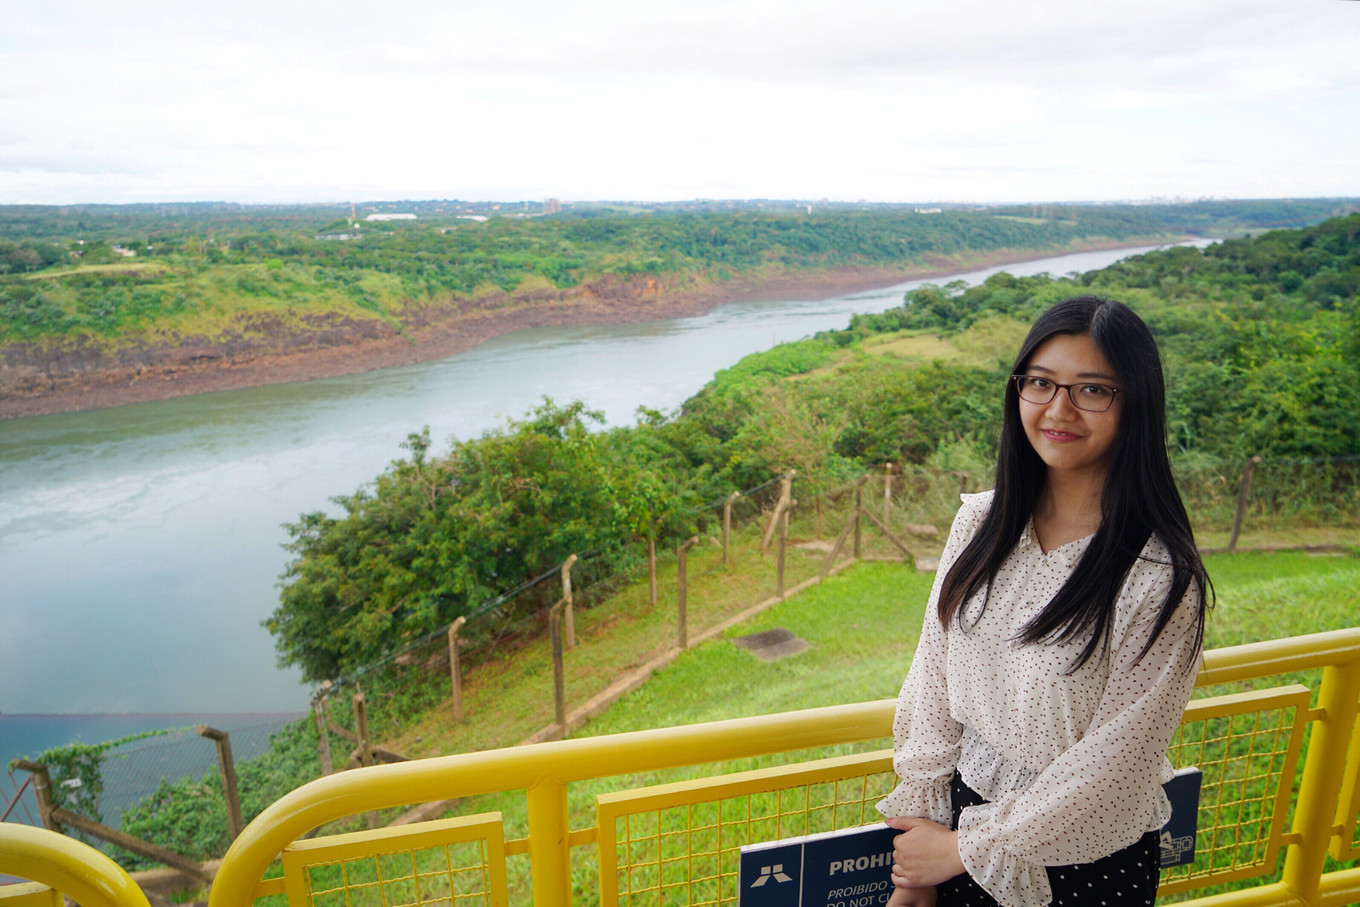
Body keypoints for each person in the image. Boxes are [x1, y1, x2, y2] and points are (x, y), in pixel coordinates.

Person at [877, 295, 1210, 907]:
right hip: (957, 826)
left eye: (1092, 390)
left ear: (1135, 403)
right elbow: (931, 677)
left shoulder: (1159, 575)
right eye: (1041, 383)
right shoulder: (981, 523)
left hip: (1084, 861)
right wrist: (924, 828)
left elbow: (1118, 764)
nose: (1059, 409)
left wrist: (959, 851)